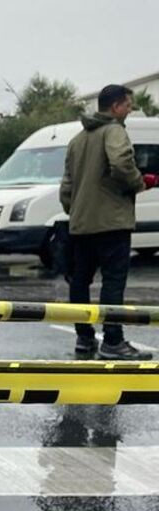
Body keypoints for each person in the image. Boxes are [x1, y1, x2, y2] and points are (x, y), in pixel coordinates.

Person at [60, 84, 158, 360]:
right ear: (115, 107)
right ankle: (113, 342)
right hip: (112, 223)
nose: (130, 110)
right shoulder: (114, 131)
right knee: (113, 283)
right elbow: (121, 164)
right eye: (128, 105)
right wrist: (138, 183)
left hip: (80, 223)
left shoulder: (77, 140)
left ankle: (84, 339)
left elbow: (66, 186)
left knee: (80, 281)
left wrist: (76, 209)